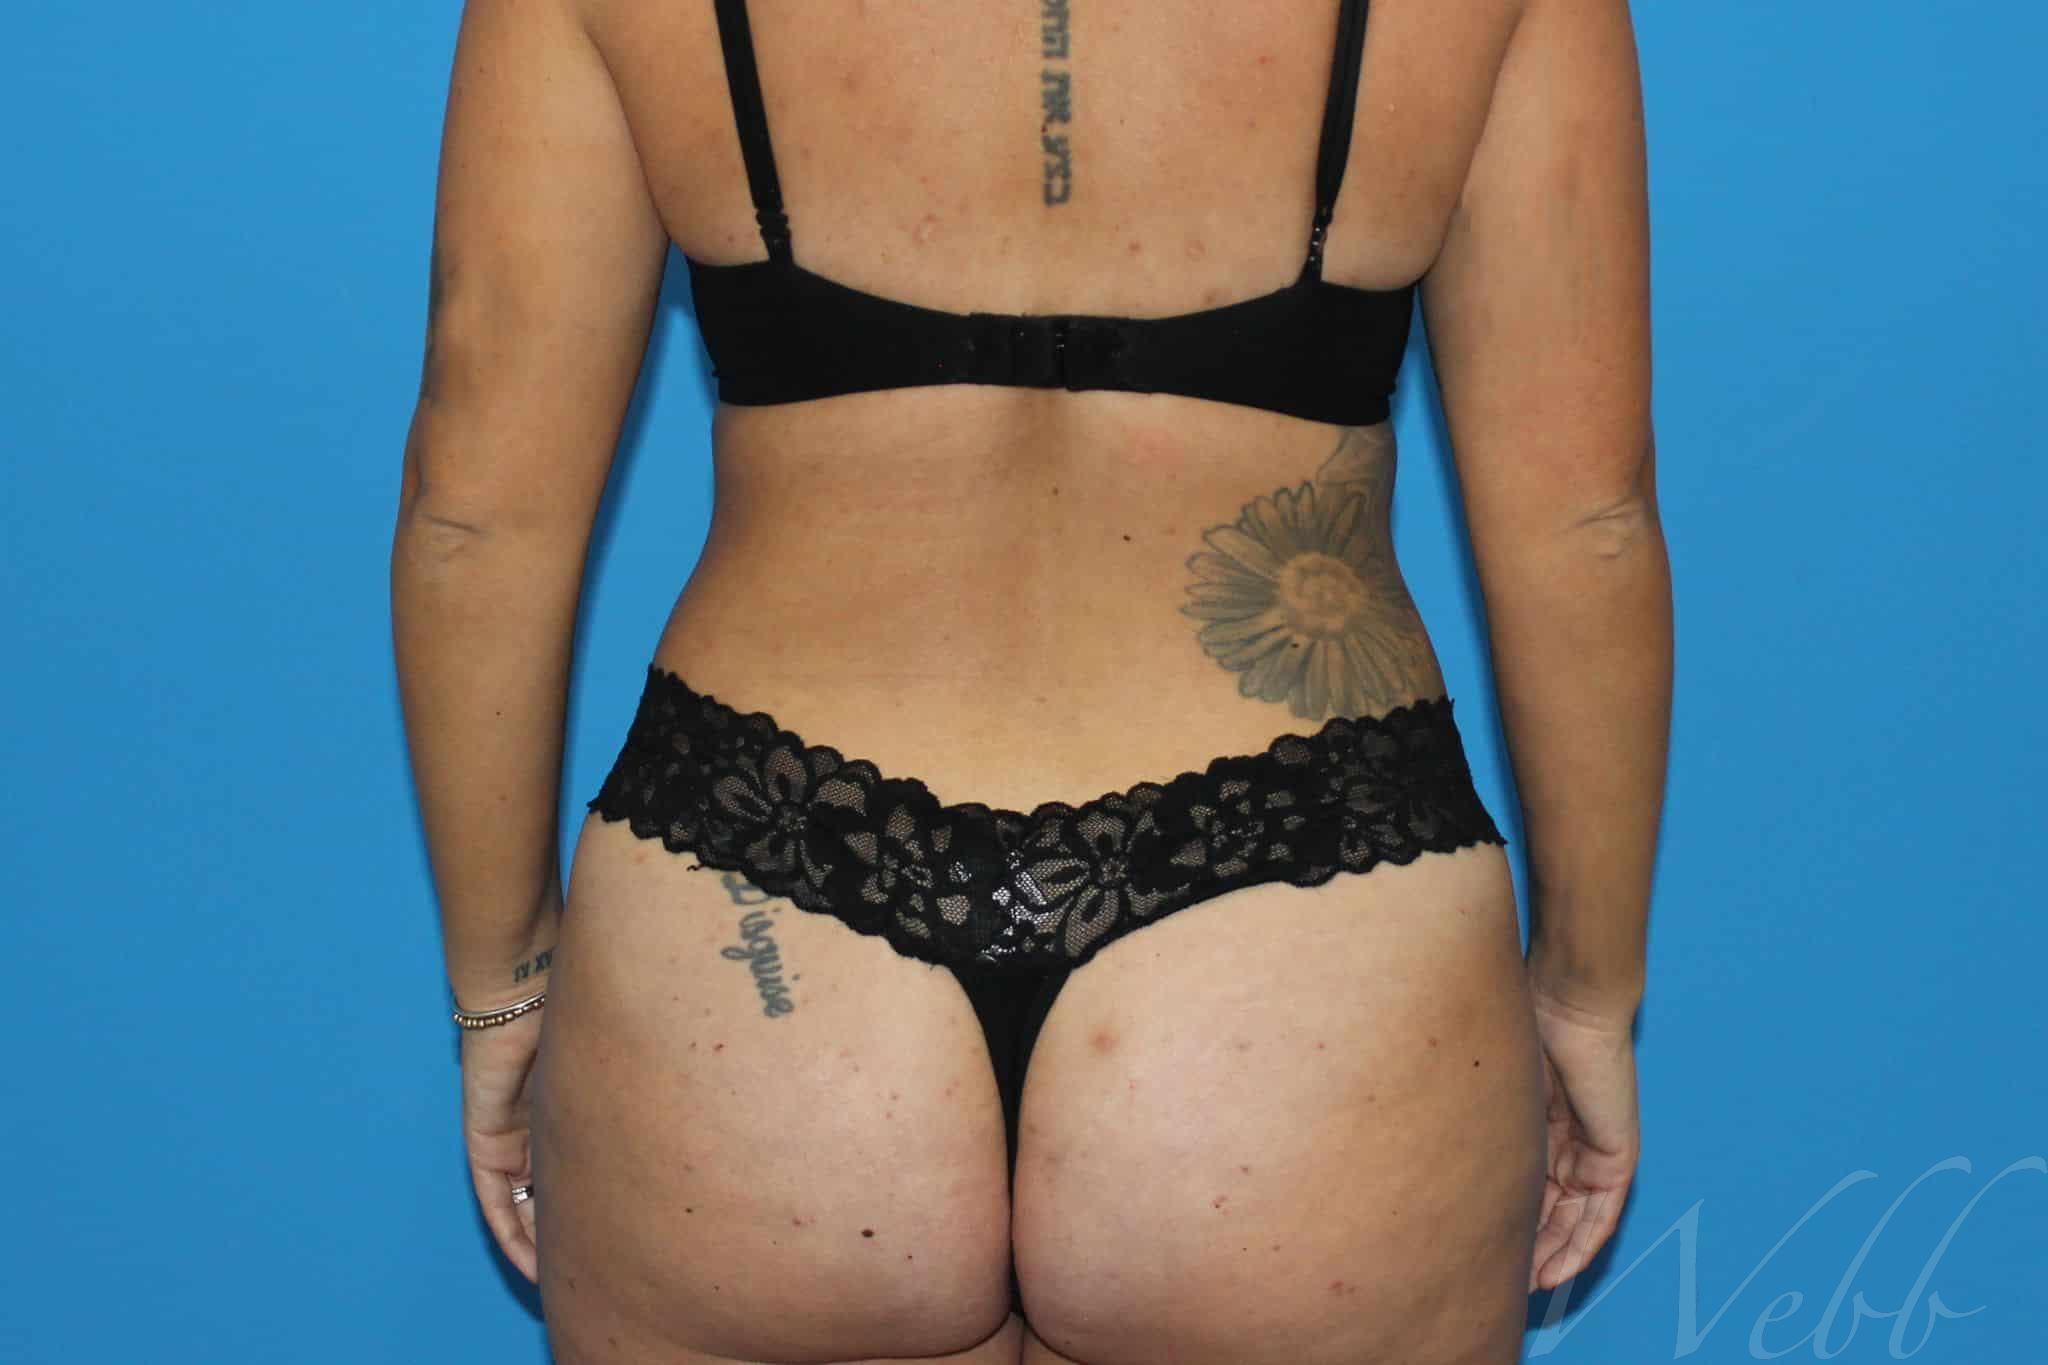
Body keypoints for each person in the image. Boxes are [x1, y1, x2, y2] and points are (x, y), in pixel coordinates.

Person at [390, 0, 1669, 1358]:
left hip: (762, 938)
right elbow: (1584, 524)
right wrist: (1585, 991)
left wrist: (507, 980)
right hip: (1297, 950)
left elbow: (475, 514)